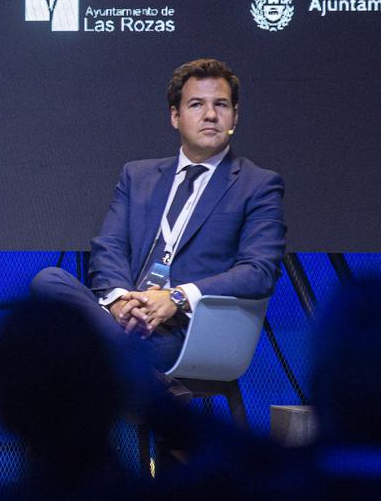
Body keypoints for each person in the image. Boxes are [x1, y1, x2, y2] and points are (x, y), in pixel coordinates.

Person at [30, 57, 286, 376]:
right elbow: (109, 246)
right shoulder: (138, 175)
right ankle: (135, 375)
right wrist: (121, 302)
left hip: (181, 333)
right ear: (175, 116)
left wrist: (176, 297)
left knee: (63, 358)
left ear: (235, 115)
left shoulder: (257, 184)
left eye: (221, 105)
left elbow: (259, 271)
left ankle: (123, 370)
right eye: (196, 104)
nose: (210, 114)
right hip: (120, 320)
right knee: (49, 280)